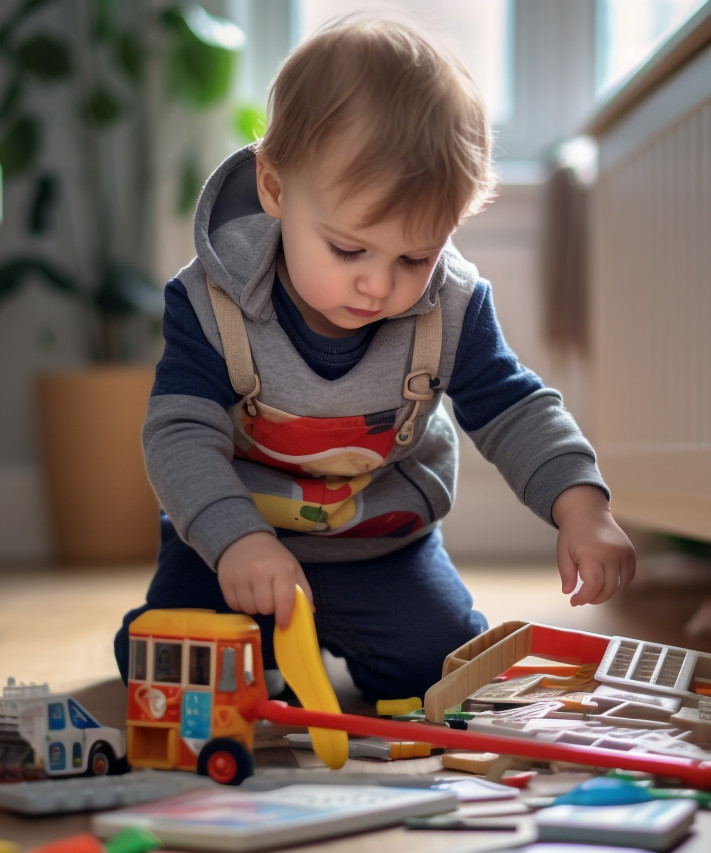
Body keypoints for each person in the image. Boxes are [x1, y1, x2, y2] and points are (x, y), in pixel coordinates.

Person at [114, 15, 636, 701]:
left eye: (415, 256)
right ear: (274, 188)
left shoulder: (452, 306)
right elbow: (179, 435)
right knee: (169, 671)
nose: (379, 284)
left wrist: (582, 505)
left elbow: (515, 407)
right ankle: (263, 645)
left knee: (442, 674)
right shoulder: (211, 303)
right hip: (232, 545)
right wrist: (232, 537)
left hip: (383, 549)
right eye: (349, 249)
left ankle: (337, 642)